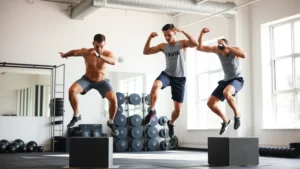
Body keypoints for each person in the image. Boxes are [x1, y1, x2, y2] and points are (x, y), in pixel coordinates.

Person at [143, 24, 198, 138]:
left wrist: (183, 31)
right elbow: (146, 51)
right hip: (167, 74)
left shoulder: (182, 43)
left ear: (175, 33)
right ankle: (152, 111)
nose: (167, 37)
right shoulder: (163, 46)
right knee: (155, 85)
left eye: (169, 35)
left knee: (177, 110)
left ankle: (171, 123)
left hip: (180, 78)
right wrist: (150, 37)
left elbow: (195, 43)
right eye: (165, 35)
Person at [59, 34, 119, 136]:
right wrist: (65, 55)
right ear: (93, 44)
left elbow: (113, 62)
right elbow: (74, 52)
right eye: (97, 46)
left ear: (104, 45)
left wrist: (99, 55)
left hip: (103, 81)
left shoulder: (108, 53)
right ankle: (77, 116)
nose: (99, 48)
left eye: (101, 46)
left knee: (113, 99)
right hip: (88, 79)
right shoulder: (86, 52)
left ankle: (111, 122)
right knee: (71, 91)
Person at [196, 27, 246, 135]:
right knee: (210, 103)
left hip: (237, 79)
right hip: (226, 80)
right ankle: (225, 120)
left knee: (226, 93)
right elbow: (199, 48)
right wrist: (201, 33)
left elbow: (244, 55)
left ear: (228, 47)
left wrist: (227, 46)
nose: (222, 53)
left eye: (224, 51)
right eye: (221, 51)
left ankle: (237, 116)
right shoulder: (218, 50)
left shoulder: (234, 50)